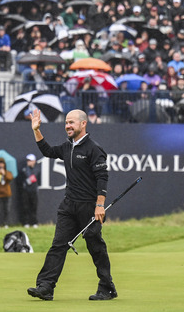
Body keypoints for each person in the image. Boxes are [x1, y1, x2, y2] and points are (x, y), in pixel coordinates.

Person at [27, 109, 117, 301]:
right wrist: (36, 130)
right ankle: (45, 287)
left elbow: (102, 177)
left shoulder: (94, 149)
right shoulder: (67, 147)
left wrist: (100, 205)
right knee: (58, 245)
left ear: (83, 124)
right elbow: (48, 151)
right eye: (66, 122)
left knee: (95, 247)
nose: (67, 126)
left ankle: (107, 288)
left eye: (71, 122)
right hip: (69, 206)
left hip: (90, 207)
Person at [19, 153, 40, 228]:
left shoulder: (37, 170)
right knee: (26, 206)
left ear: (34, 161)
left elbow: (39, 181)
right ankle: (26, 222)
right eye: (28, 160)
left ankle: (34, 222)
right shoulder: (23, 170)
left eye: (30, 160)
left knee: (34, 206)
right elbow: (20, 181)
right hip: (25, 191)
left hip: (34, 190)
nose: (29, 162)